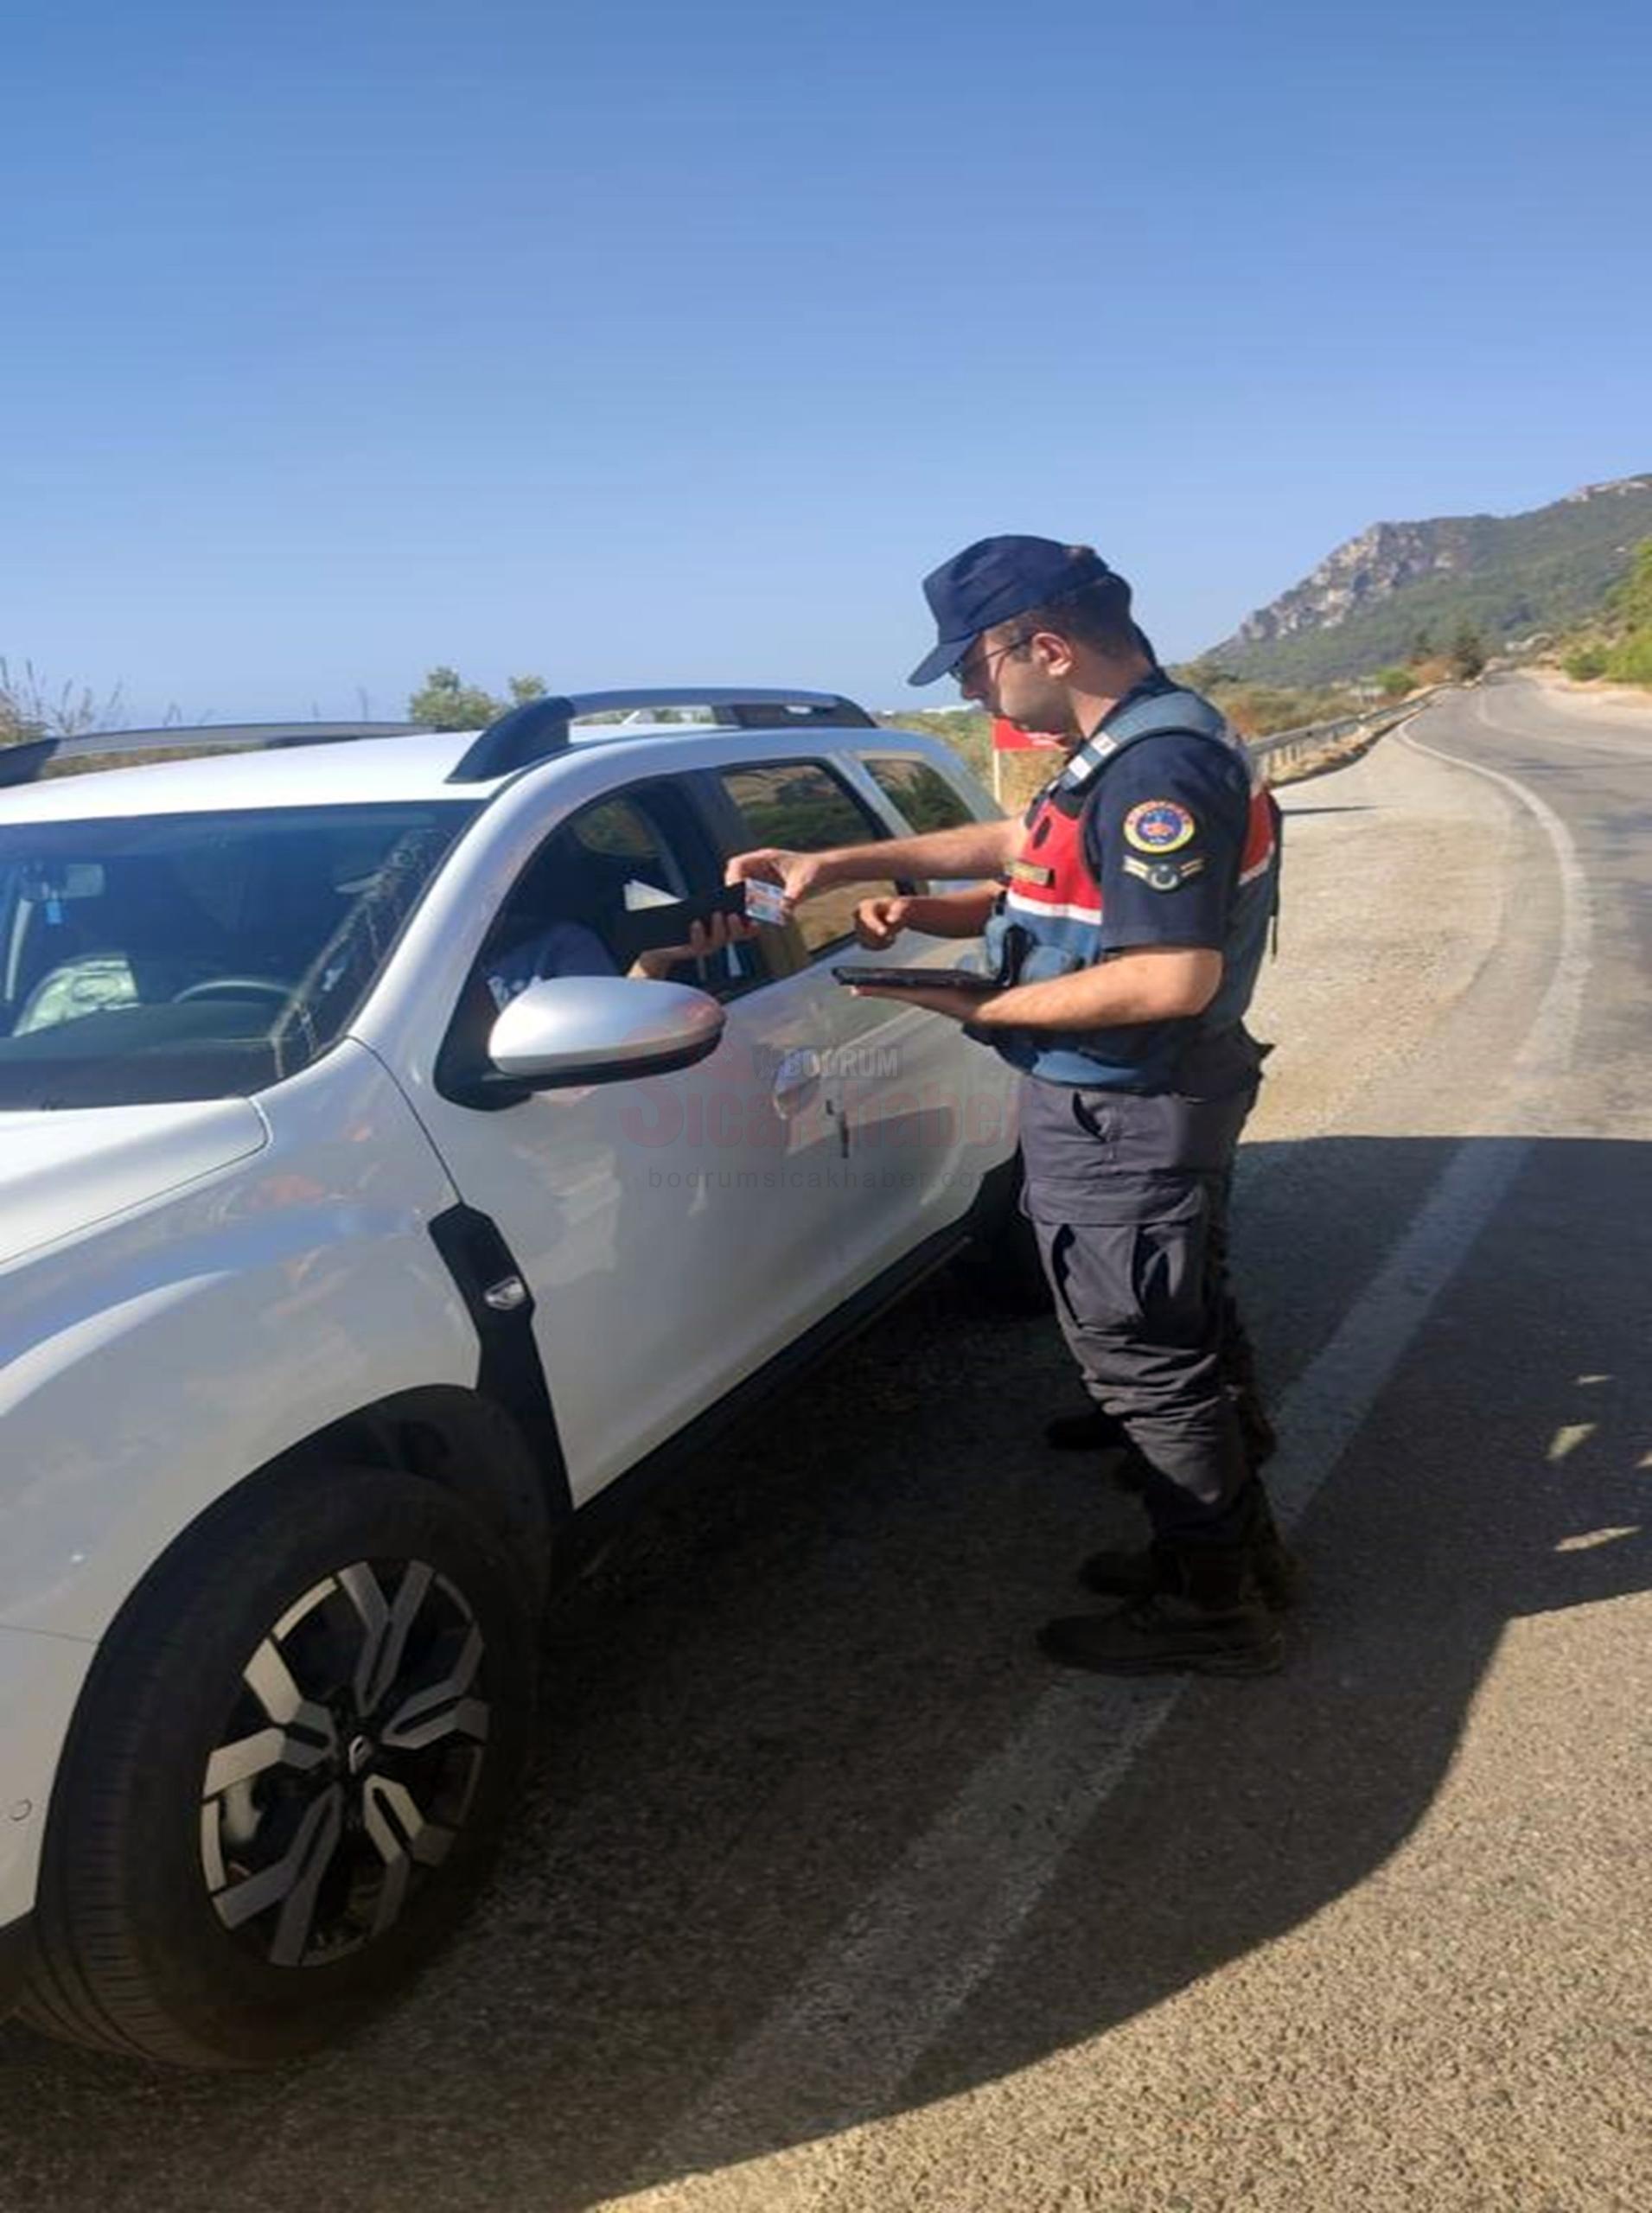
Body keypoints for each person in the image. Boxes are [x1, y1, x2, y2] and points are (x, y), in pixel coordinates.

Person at [728, 535, 1290, 1676]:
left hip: (1128, 1101)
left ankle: (1215, 1606)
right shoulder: (1135, 739)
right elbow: (1031, 855)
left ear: (1045, 643)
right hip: (1144, 1093)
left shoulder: (1155, 770)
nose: (975, 692)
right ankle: (1231, 1552)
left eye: (975, 670)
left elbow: (1171, 977)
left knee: (1144, 1358)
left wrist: (985, 1009)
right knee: (1176, 1326)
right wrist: (853, 871)